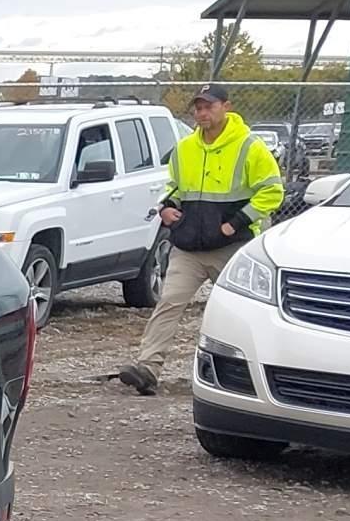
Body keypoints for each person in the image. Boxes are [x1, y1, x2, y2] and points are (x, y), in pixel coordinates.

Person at [119, 85, 283, 395]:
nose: (202, 113)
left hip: (231, 248)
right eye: (197, 108)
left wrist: (233, 225)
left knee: (244, 311)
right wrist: (165, 208)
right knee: (168, 303)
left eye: (208, 106)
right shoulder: (184, 149)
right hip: (189, 248)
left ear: (226, 106)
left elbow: (272, 192)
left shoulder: (250, 147)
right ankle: (147, 368)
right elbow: (173, 188)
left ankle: (252, 374)